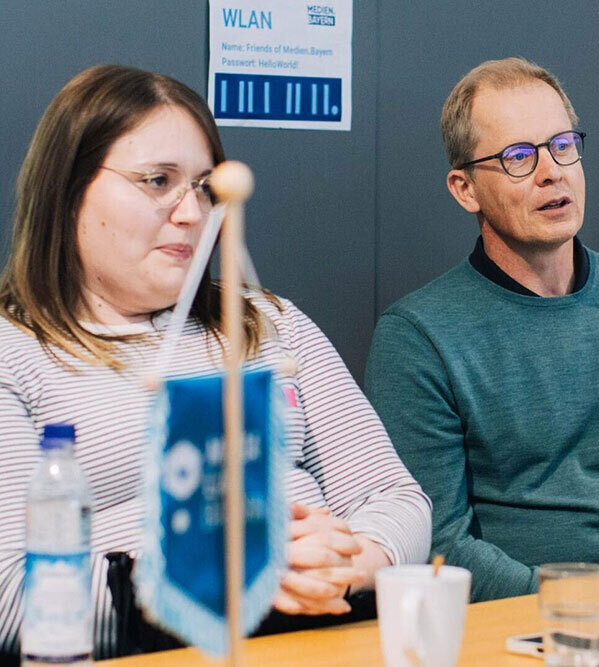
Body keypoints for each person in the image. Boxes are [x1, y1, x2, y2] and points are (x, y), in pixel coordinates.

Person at [0, 65, 431, 657]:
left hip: (333, 637)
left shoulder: (268, 321)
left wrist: (348, 565)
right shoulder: (16, 354)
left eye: (205, 186)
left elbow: (396, 499)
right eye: (157, 181)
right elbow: (14, 598)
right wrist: (237, 574)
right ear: (68, 187)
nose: (192, 213)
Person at [364, 57, 599, 602]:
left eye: (563, 146)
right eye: (519, 157)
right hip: (526, 623)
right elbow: (440, 540)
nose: (552, 172)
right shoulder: (418, 336)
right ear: (465, 188)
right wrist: (570, 609)